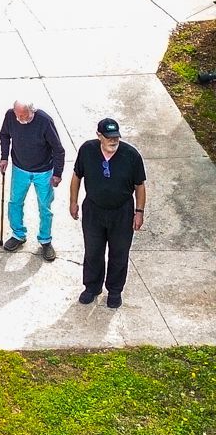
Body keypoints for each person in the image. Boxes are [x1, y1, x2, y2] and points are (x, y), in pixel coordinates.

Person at [69, 116, 147, 308]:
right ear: (99, 136)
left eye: (116, 137)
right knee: (93, 251)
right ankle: (92, 287)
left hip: (122, 212)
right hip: (93, 210)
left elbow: (140, 185)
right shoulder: (87, 150)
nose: (113, 141)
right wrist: (73, 202)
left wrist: (139, 212)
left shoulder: (131, 155)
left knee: (119, 253)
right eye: (109, 137)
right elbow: (77, 176)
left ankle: (114, 290)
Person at [0, 94, 66, 260]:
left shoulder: (44, 121)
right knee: (15, 202)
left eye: (23, 115)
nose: (19, 118)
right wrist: (4, 156)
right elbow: (5, 135)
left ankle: (45, 240)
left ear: (32, 111)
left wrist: (57, 173)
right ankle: (18, 234)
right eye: (17, 115)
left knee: (45, 206)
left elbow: (58, 149)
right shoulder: (10, 116)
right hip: (20, 169)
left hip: (43, 172)